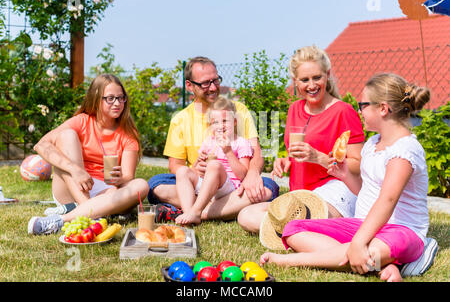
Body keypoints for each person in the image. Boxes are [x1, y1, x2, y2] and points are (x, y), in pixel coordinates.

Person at [260, 73, 437, 282]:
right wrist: (345, 176)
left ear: (382, 108)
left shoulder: (405, 149)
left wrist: (359, 241)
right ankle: (382, 265)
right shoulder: (373, 144)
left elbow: (387, 200)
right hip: (362, 225)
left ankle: (292, 260)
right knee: (293, 229)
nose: (359, 110)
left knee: (372, 249)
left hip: (401, 230)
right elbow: (366, 190)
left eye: (363, 105)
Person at [238, 45, 365, 233]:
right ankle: (302, 232)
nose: (311, 85)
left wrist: (319, 158)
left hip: (335, 191)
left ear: (327, 75)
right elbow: (295, 153)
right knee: (246, 216)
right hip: (301, 193)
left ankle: (301, 232)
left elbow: (359, 164)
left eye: (317, 78)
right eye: (305, 80)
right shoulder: (295, 109)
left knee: (302, 219)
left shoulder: (343, 111)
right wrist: (286, 161)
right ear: (295, 82)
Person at [147, 56, 279, 222]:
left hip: (232, 185)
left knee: (268, 187)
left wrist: (252, 174)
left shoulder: (237, 109)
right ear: (189, 85)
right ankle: (215, 208)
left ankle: (196, 211)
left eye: (215, 80)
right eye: (205, 83)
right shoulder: (180, 119)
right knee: (155, 184)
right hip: (200, 183)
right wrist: (195, 169)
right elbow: (175, 166)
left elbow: (257, 154)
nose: (213, 87)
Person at [28, 74, 149, 235]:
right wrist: (75, 170)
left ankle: (64, 218)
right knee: (67, 135)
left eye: (121, 98)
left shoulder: (127, 132)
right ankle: (90, 212)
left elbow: (128, 176)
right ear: (96, 99)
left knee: (141, 185)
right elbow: (41, 145)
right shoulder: (82, 121)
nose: (117, 103)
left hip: (105, 192)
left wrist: (121, 179)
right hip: (71, 186)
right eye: (110, 98)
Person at [175, 97, 254, 225]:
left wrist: (228, 152)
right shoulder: (209, 141)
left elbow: (243, 174)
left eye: (224, 121)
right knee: (182, 171)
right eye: (215, 122)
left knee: (215, 165)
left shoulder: (240, 143)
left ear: (234, 122)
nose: (220, 126)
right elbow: (195, 169)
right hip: (208, 185)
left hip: (228, 188)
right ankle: (189, 212)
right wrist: (198, 164)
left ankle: (196, 211)